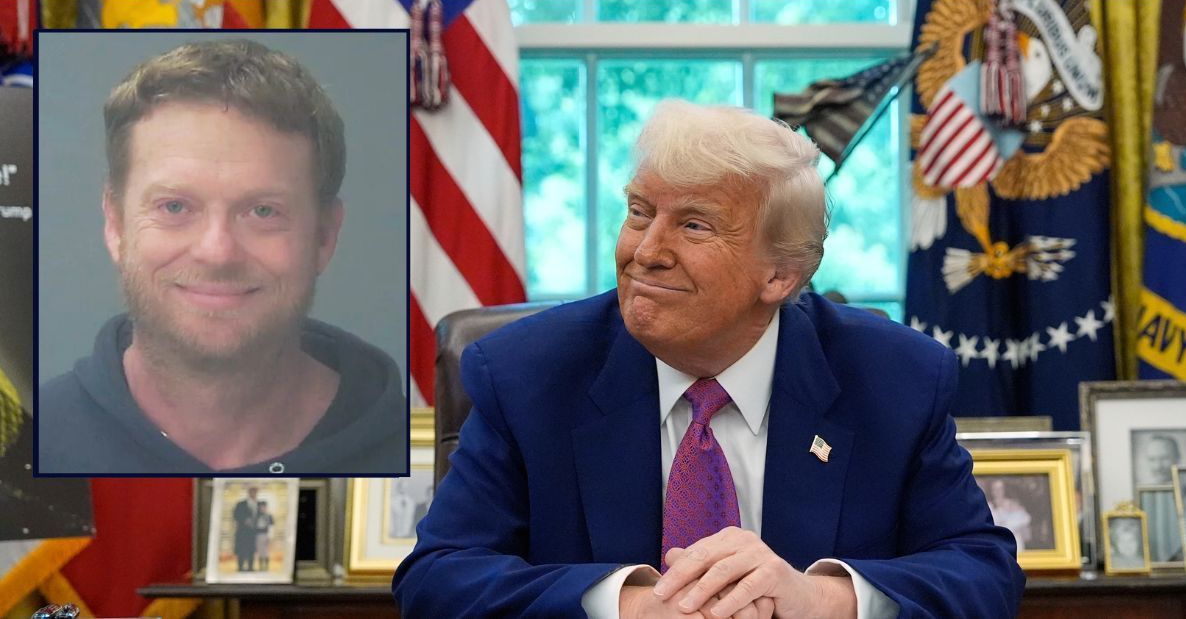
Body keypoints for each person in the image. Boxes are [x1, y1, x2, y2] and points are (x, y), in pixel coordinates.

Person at [393, 101, 1023, 618]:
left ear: (780, 274)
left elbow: (982, 575)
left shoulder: (894, 378)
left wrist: (819, 599)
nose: (646, 251)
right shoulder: (526, 374)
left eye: (694, 227)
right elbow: (438, 581)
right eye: (640, 212)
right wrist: (635, 606)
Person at [37, 39, 406, 474]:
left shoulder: (435, 461)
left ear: (324, 236)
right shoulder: (24, 447)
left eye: (262, 211)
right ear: (115, 224)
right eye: (174, 207)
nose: (217, 252)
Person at [986, 479, 1033, 552]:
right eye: (995, 489)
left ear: (1004, 490)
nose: (998, 491)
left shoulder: (1015, 505)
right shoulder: (989, 507)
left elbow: (1026, 529)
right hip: (997, 545)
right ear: (991, 491)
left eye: (1000, 488)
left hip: (1016, 544)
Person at [232, 486, 258, 572]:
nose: (254, 494)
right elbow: (235, 515)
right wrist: (244, 520)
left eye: (255, 492)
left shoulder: (258, 504)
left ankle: (250, 567)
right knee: (242, 549)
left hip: (253, 532)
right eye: (252, 492)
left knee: (251, 550)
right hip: (242, 531)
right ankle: (240, 567)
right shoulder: (241, 504)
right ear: (249, 493)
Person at [254, 500, 274, 571]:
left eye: (264, 507)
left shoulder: (269, 516)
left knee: (266, 551)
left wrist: (270, 537)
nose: (262, 508)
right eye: (261, 507)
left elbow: (271, 527)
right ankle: (261, 567)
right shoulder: (256, 516)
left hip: (266, 535)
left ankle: (266, 566)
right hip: (258, 535)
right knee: (259, 552)